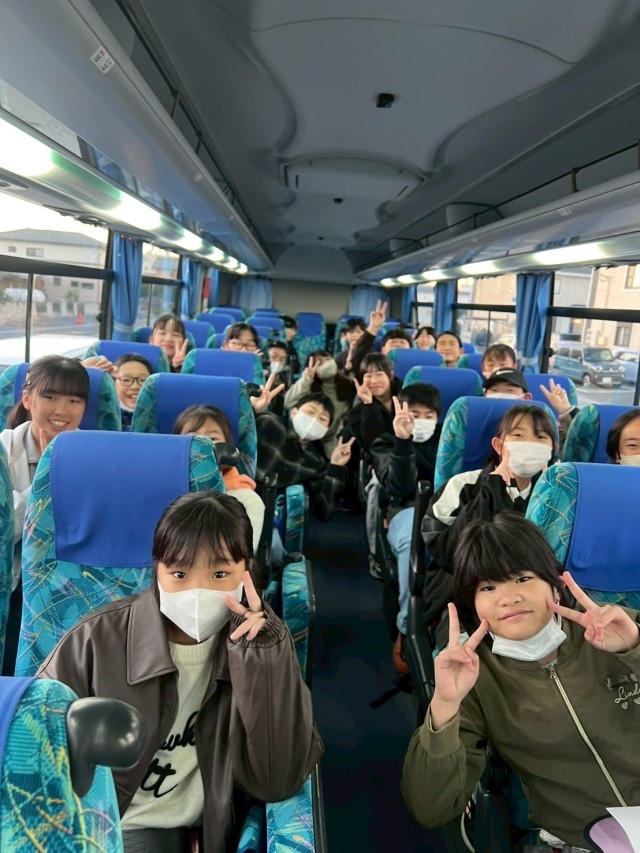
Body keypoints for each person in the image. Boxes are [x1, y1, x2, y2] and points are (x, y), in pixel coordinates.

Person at [38, 491, 323, 853]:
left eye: (219, 573)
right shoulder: (92, 641)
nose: (196, 591)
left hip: (162, 832)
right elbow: (32, 748)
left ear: (246, 573)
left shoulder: (263, 648)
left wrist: (262, 660)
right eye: (179, 573)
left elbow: (277, 781)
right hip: (93, 824)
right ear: (156, 570)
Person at [402, 512, 640, 850]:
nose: (509, 597)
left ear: (556, 585)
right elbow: (431, 808)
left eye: (523, 578)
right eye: (488, 587)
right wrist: (444, 704)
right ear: (474, 605)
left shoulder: (617, 627)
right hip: (581, 840)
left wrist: (634, 649)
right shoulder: (473, 676)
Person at [1, 355, 89, 674]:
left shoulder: (94, 453)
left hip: (72, 586)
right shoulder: (4, 451)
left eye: (74, 400)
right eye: (50, 397)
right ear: (27, 399)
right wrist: (44, 480)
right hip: (14, 584)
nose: (61, 410)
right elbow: (4, 529)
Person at [422, 403, 557, 578]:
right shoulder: (463, 484)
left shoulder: (556, 495)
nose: (530, 444)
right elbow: (446, 552)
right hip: (464, 581)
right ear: (499, 446)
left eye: (540, 437)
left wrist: (547, 494)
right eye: (518, 435)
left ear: (551, 450)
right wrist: (491, 490)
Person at [369, 384, 442, 673]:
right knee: (414, 538)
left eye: (428, 415)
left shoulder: (450, 441)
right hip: (408, 509)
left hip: (450, 510)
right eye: (414, 414)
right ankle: (408, 624)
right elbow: (398, 488)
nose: (420, 420)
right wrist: (403, 441)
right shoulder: (385, 442)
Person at [174, 405, 265, 551]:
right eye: (193, 438)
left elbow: (240, 554)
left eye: (213, 438)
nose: (203, 447)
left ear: (228, 449)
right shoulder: (163, 488)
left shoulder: (246, 499)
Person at [256, 392, 355, 522]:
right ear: (294, 412)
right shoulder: (269, 422)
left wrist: (335, 467)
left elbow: (324, 512)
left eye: (322, 419)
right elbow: (233, 437)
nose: (314, 419)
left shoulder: (315, 463)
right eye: (310, 411)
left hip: (268, 515)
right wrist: (253, 411)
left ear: (325, 430)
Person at [284, 350, 355, 455]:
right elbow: (288, 403)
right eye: (320, 363)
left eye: (328, 359)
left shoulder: (348, 385)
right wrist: (306, 379)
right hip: (303, 435)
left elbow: (347, 415)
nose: (327, 363)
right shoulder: (309, 385)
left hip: (328, 439)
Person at [350, 301, 412, 377]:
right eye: (393, 342)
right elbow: (358, 356)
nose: (398, 344)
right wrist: (373, 327)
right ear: (383, 350)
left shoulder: (416, 368)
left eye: (402, 342)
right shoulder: (373, 366)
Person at [113, 354, 152, 430]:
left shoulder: (160, 417)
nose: (135, 387)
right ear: (113, 383)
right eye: (126, 380)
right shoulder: (103, 416)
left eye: (143, 380)